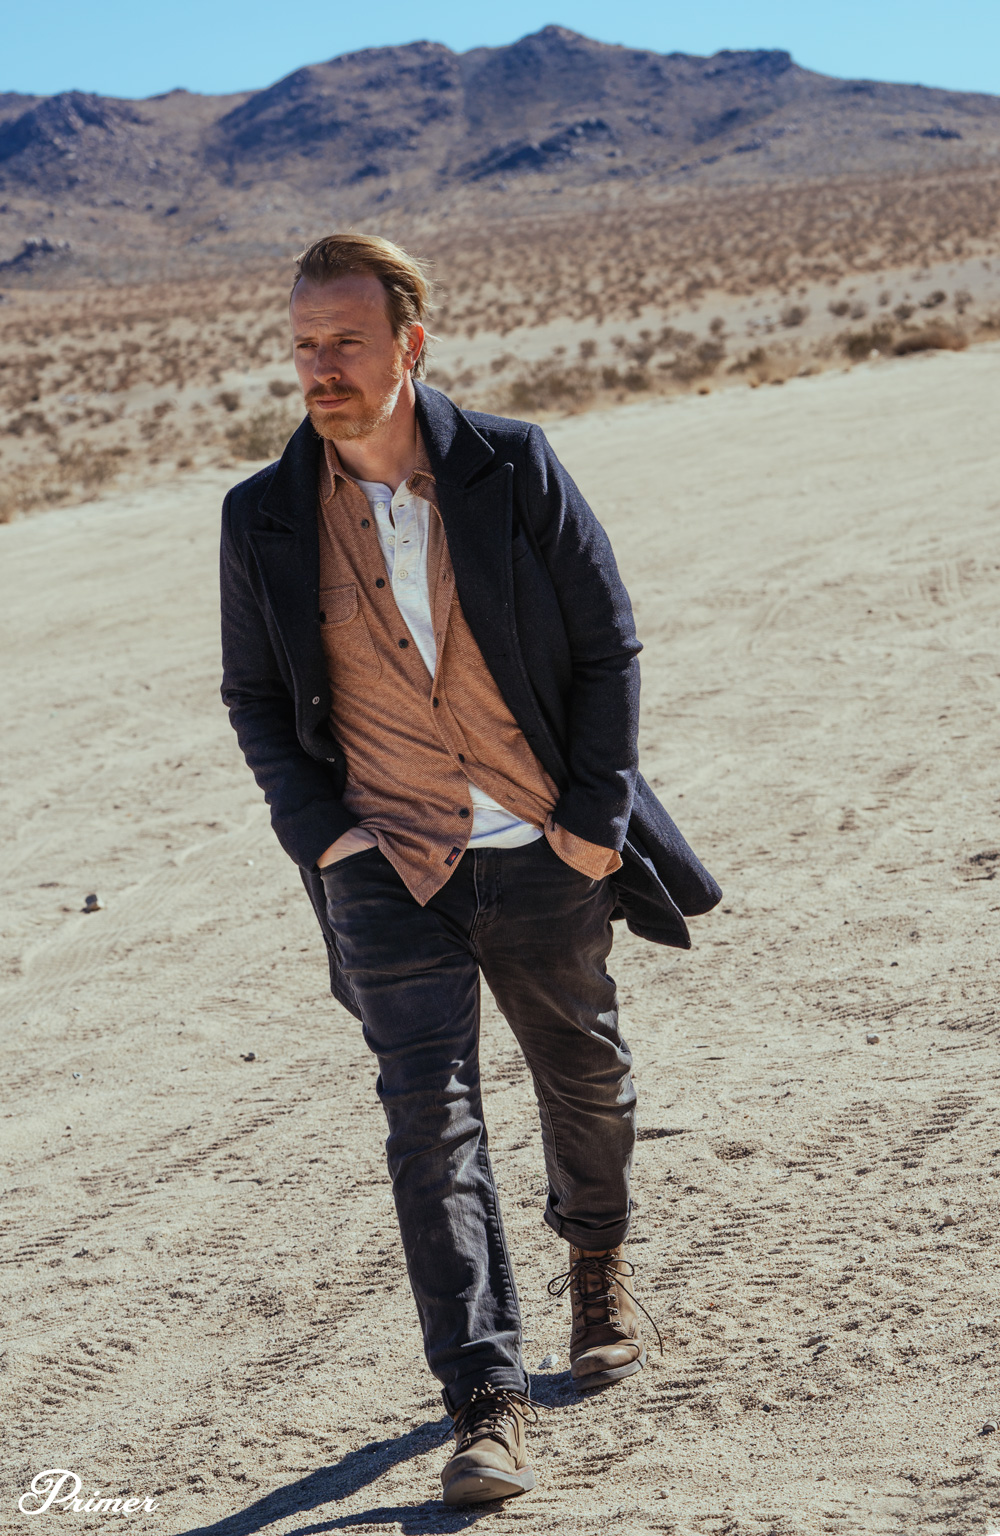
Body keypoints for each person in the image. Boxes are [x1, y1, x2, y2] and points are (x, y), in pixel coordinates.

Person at [220, 233, 721, 1506]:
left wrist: (595, 817)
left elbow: (607, 647)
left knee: (587, 1080)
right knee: (427, 1129)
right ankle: (482, 1398)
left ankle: (596, 1264)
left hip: (543, 842)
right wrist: (328, 841)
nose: (317, 368)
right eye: (301, 344)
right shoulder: (263, 516)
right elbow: (257, 701)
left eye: (342, 341)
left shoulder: (511, 464)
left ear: (410, 344)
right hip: (387, 865)